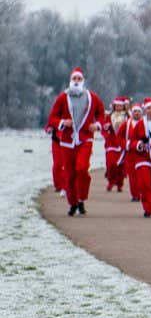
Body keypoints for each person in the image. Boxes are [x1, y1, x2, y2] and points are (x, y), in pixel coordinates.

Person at [46, 67, 107, 217]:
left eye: (79, 79)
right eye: (74, 79)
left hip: (85, 139)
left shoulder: (92, 97)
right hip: (67, 141)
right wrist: (62, 122)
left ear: (83, 81)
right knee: (70, 174)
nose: (76, 81)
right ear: (70, 81)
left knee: (82, 168)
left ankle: (81, 198)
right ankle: (73, 203)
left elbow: (101, 114)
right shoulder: (62, 97)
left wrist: (97, 125)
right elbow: (52, 118)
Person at [100, 96, 130, 193]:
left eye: (120, 106)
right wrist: (107, 132)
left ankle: (119, 184)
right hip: (111, 143)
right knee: (111, 164)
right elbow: (103, 129)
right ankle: (111, 181)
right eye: (116, 106)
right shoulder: (109, 116)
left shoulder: (127, 116)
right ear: (114, 106)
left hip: (122, 144)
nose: (118, 108)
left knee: (120, 166)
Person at [123, 101, 143, 202]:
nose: (136, 113)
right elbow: (119, 138)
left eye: (138, 112)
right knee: (132, 175)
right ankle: (135, 195)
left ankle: (142, 193)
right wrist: (126, 144)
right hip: (130, 154)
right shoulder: (127, 124)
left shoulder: (145, 123)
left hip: (142, 154)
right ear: (132, 112)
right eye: (135, 111)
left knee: (141, 175)